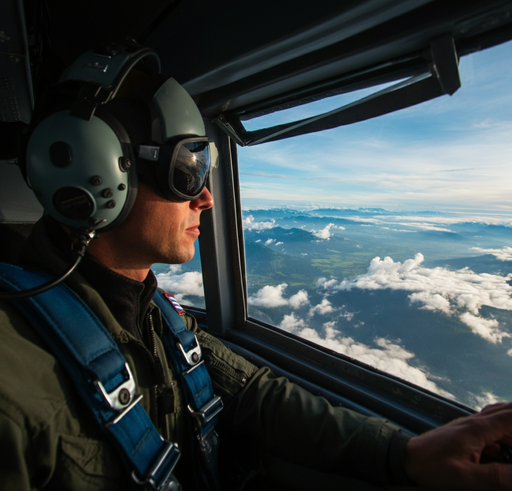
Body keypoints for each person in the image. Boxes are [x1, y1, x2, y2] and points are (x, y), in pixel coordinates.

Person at [1, 45, 512, 491]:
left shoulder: (156, 315)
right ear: (93, 175)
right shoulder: (14, 383)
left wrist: (404, 453)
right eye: (185, 169)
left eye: (205, 169)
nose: (204, 197)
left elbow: (255, 394)